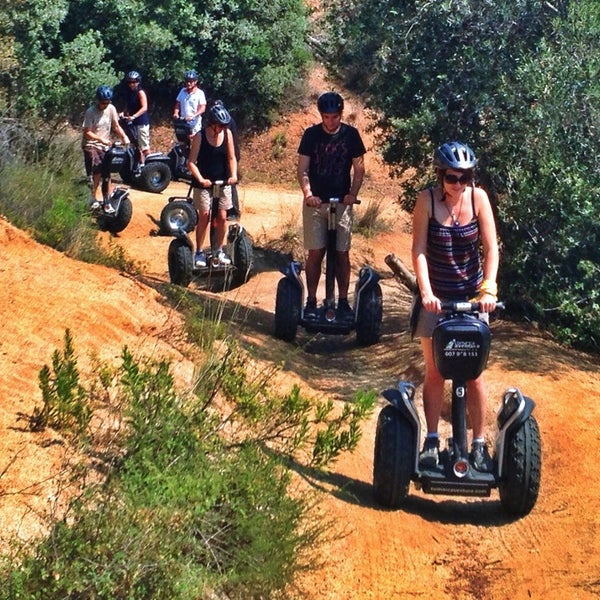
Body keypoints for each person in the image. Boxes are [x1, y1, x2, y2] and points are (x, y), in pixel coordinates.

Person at [411, 141, 499, 472]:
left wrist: (488, 288)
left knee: (474, 375)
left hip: (473, 300)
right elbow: (419, 249)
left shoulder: (479, 199)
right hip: (437, 300)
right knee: (435, 372)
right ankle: (432, 440)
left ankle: (478, 444)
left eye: (464, 177)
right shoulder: (427, 201)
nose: (458, 184)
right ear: (440, 176)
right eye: (451, 177)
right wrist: (427, 292)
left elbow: (491, 248)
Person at [297, 91, 366, 321]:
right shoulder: (311, 135)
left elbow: (359, 169)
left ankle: (343, 301)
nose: (330, 121)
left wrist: (352, 194)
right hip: (316, 204)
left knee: (341, 254)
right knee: (316, 252)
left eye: (334, 117)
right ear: (321, 115)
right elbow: (303, 169)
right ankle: (311, 301)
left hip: (342, 204)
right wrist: (308, 194)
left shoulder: (351, 135)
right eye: (326, 117)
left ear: (340, 115)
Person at [187, 102, 238, 267]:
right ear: (212, 123)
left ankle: (218, 250)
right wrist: (201, 179)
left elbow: (231, 158)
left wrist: (233, 175)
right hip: (204, 183)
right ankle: (199, 252)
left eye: (224, 126)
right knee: (205, 215)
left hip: (222, 182)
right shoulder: (199, 136)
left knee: (222, 217)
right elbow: (191, 162)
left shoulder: (227, 134)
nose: (222, 128)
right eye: (219, 125)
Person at [82, 84, 130, 213]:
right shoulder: (91, 112)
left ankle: (106, 201)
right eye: (103, 102)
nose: (104, 105)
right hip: (91, 144)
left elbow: (116, 126)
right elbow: (87, 132)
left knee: (107, 173)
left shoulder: (111, 109)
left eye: (107, 102)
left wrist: (124, 137)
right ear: (97, 100)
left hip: (105, 146)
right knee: (96, 170)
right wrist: (100, 139)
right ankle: (92, 198)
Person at [207, 98, 242, 220]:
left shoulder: (227, 121)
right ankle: (219, 209)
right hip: (224, 155)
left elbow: (230, 141)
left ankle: (234, 211)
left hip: (229, 155)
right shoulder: (223, 120)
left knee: (230, 183)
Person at [119, 70, 150, 167]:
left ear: (138, 81)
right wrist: (123, 113)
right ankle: (140, 164)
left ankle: (149, 166)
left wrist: (134, 116)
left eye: (134, 82)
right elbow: (129, 107)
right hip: (133, 123)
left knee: (144, 146)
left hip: (141, 122)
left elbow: (144, 107)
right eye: (130, 82)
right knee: (136, 146)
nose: (132, 84)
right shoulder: (130, 93)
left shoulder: (140, 92)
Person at [172, 69, 206, 138]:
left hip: (195, 124)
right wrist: (176, 113)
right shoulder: (182, 91)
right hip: (183, 122)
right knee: (182, 142)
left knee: (195, 143)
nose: (188, 83)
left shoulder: (200, 93)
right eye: (187, 81)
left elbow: (202, 108)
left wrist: (193, 116)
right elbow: (178, 104)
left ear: (195, 81)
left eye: (191, 81)